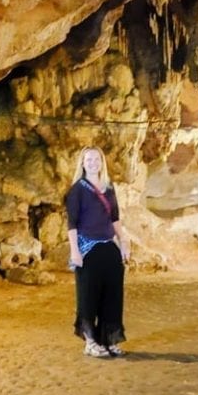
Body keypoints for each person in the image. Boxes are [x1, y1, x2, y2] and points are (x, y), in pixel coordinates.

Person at [66, 146, 130, 358]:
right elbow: (72, 224)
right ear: (82, 164)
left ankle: (109, 339)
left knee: (112, 295)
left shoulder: (109, 188)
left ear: (102, 162)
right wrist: (75, 251)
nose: (92, 163)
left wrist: (123, 241)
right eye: (88, 159)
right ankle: (90, 342)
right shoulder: (77, 190)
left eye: (96, 159)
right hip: (87, 248)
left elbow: (115, 219)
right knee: (88, 296)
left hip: (107, 246)